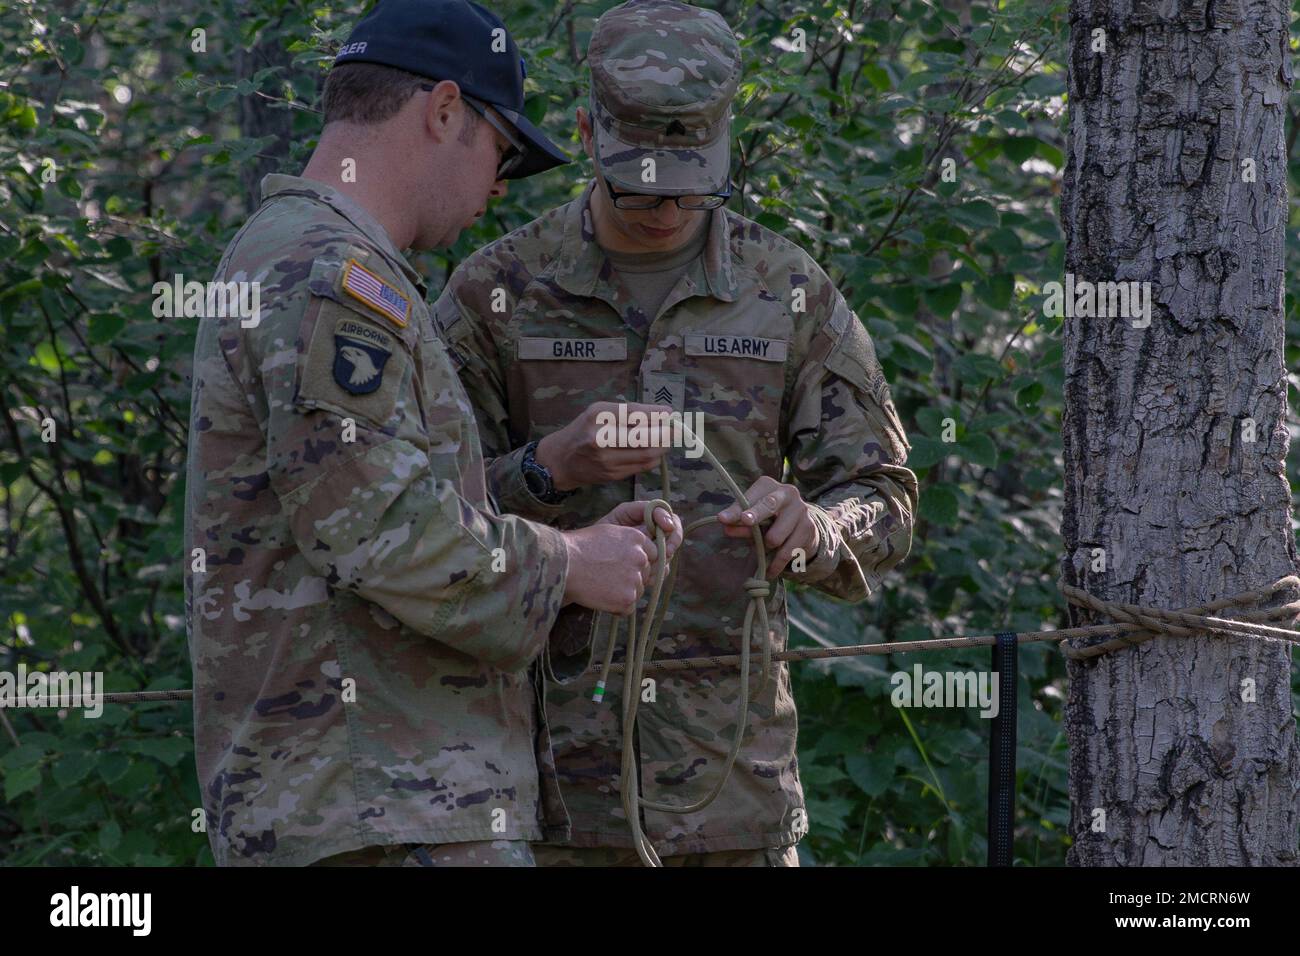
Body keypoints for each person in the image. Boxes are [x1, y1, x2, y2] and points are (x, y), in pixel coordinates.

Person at [183, 0, 681, 868]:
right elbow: (381, 532)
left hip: (381, 803)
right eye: (503, 151)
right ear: (443, 110)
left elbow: (363, 497)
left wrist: (546, 473)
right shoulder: (330, 275)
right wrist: (571, 563)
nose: (499, 186)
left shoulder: (324, 263)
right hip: (382, 806)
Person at [435, 0, 919, 866]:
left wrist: (816, 530)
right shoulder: (495, 294)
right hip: (540, 797)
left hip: (733, 795)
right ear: (586, 133)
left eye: (689, 184)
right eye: (638, 183)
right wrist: (549, 470)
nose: (663, 207)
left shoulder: (787, 292)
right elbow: (420, 518)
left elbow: (884, 497)